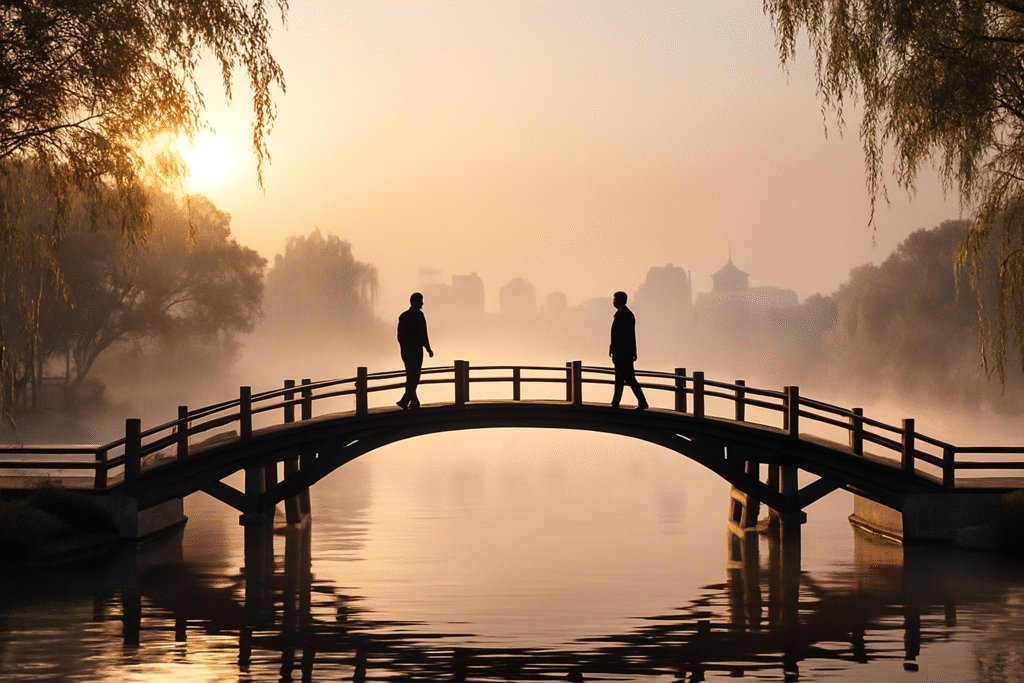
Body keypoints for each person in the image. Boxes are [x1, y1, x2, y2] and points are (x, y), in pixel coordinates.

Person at [609, 291, 648, 410]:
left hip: (623, 353)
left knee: (628, 378)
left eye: (615, 299)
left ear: (621, 300)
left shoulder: (626, 315)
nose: (613, 301)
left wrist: (631, 351)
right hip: (621, 352)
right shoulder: (622, 314)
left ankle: (641, 402)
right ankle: (616, 402)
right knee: (621, 378)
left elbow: (629, 335)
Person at [397, 292, 434, 409]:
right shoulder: (419, 316)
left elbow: (400, 337)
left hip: (406, 352)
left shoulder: (403, 316)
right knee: (415, 376)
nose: (422, 304)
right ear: (416, 302)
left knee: (411, 375)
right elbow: (424, 335)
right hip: (416, 352)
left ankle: (414, 401)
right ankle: (405, 400)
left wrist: (404, 348)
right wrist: (428, 349)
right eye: (420, 301)